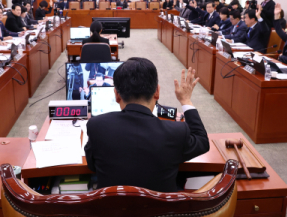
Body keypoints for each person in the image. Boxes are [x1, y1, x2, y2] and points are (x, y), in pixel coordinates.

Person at [85, 59, 209, 192]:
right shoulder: (176, 132)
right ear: (157, 92)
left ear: (116, 95)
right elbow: (202, 141)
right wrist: (185, 100)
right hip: (162, 211)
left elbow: (92, 166)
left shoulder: (96, 126)